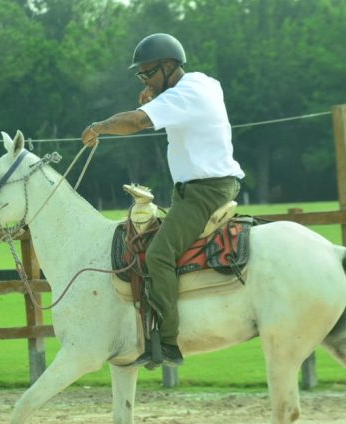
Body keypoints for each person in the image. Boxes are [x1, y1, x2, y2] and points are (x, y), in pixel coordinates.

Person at [81, 33, 244, 368]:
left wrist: (99, 127)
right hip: (200, 188)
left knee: (158, 255)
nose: (145, 81)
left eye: (149, 74)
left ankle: (168, 341)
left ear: (169, 67)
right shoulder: (203, 83)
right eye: (142, 76)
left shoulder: (183, 95)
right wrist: (155, 94)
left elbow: (138, 122)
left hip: (203, 192)